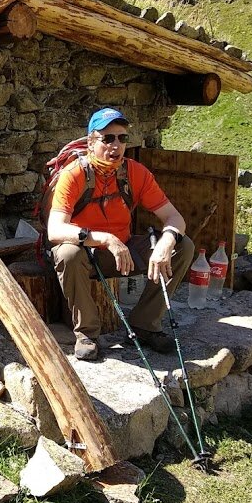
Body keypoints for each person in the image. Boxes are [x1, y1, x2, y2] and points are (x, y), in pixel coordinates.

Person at [47, 108, 195, 361]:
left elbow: (174, 218)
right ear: (91, 142)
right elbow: (55, 230)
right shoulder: (74, 174)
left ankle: (145, 324)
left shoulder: (136, 173)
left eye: (122, 138)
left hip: (124, 251)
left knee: (184, 246)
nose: (116, 145)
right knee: (68, 253)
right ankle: (87, 333)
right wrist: (105, 238)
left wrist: (166, 242)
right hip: (89, 254)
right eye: (108, 138)